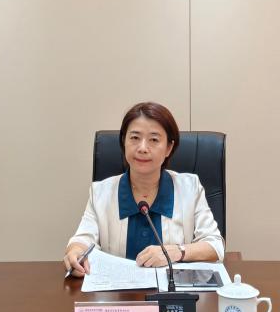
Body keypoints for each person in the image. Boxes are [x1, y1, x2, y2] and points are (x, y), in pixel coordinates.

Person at [64, 102, 224, 276]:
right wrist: (75, 252)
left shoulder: (190, 188)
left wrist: (177, 251)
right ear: (124, 142)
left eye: (154, 140)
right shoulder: (100, 193)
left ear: (169, 148)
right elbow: (82, 240)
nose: (142, 148)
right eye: (134, 138)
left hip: (171, 291)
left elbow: (215, 246)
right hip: (118, 290)